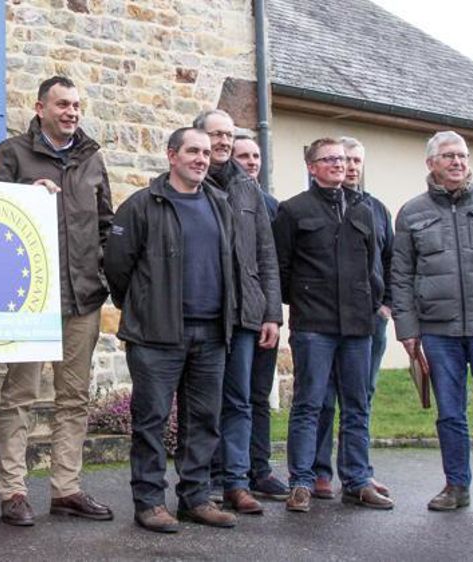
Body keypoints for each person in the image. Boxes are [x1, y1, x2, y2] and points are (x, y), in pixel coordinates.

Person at [0, 76, 115, 526]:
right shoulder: (11, 154)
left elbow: (105, 225)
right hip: (29, 300)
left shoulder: (92, 158)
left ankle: (67, 488)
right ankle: (13, 491)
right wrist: (25, 196)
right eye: (62, 104)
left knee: (73, 399)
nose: (72, 112)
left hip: (82, 298)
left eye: (77, 104)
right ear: (40, 108)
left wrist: (103, 276)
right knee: (20, 395)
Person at [105, 127, 237, 533]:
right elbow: (116, 268)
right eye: (192, 151)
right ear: (171, 156)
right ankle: (148, 502)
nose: (201, 158)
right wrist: (145, 307)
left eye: (206, 152)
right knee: (151, 421)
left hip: (211, 333)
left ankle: (195, 498)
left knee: (203, 420)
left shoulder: (220, 203)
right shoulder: (142, 205)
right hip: (156, 335)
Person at [391, 131, 473, 512]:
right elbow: (400, 275)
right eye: (448, 156)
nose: (457, 162)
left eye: (462, 156)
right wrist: (408, 331)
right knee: (450, 413)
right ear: (431, 163)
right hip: (437, 331)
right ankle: (456, 486)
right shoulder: (412, 212)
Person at [275, 137, 393, 513]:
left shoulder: (365, 209)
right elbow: (282, 267)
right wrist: (307, 299)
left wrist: (378, 303)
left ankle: (357, 481)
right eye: (329, 160)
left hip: (359, 325)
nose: (339, 165)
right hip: (314, 325)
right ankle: (302, 482)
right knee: (310, 405)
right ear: (312, 167)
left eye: (342, 159)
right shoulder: (293, 211)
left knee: (357, 406)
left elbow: (377, 260)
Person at [194, 112, 280, 515]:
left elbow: (267, 254)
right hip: (204, 310)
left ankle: (237, 483)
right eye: (217, 134)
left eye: (229, 134)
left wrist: (271, 314)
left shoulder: (249, 189)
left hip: (245, 311)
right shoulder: (187, 183)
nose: (224, 141)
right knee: (201, 401)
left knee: (239, 401)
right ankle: (203, 482)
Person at [311, 136, 393, 500]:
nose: (352, 166)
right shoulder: (311, 208)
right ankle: (319, 471)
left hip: (369, 317)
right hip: (325, 319)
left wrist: (386, 304)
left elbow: (391, 260)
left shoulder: (376, 208)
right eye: (346, 159)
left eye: (357, 160)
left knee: (361, 396)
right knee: (323, 398)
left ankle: (358, 473)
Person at [231, 136, 290, 501]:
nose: (251, 162)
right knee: (232, 398)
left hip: (263, 315)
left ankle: (260, 468)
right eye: (244, 156)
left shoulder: (272, 207)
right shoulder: (221, 199)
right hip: (230, 319)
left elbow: (275, 265)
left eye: (255, 156)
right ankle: (229, 473)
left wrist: (274, 313)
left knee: (258, 396)